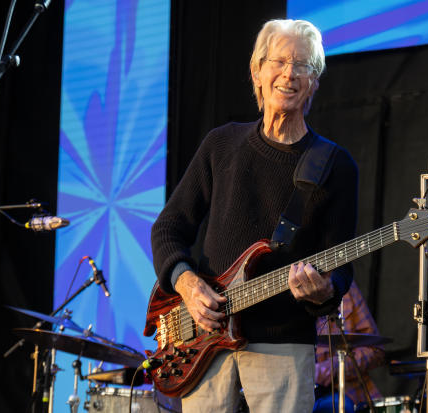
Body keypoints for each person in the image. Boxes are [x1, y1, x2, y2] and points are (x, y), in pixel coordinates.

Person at [151, 19, 359, 413]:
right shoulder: (221, 144)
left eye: (303, 66)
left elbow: (342, 266)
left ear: (314, 81)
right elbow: (168, 229)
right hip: (204, 342)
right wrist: (189, 286)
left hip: (283, 346)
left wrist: (324, 292)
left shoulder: (335, 165)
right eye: (279, 62)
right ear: (257, 72)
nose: (289, 74)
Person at [314, 280, 386, 413]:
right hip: (290, 392)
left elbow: (375, 350)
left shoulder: (342, 285)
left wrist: (330, 368)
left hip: (344, 393)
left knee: (332, 406)